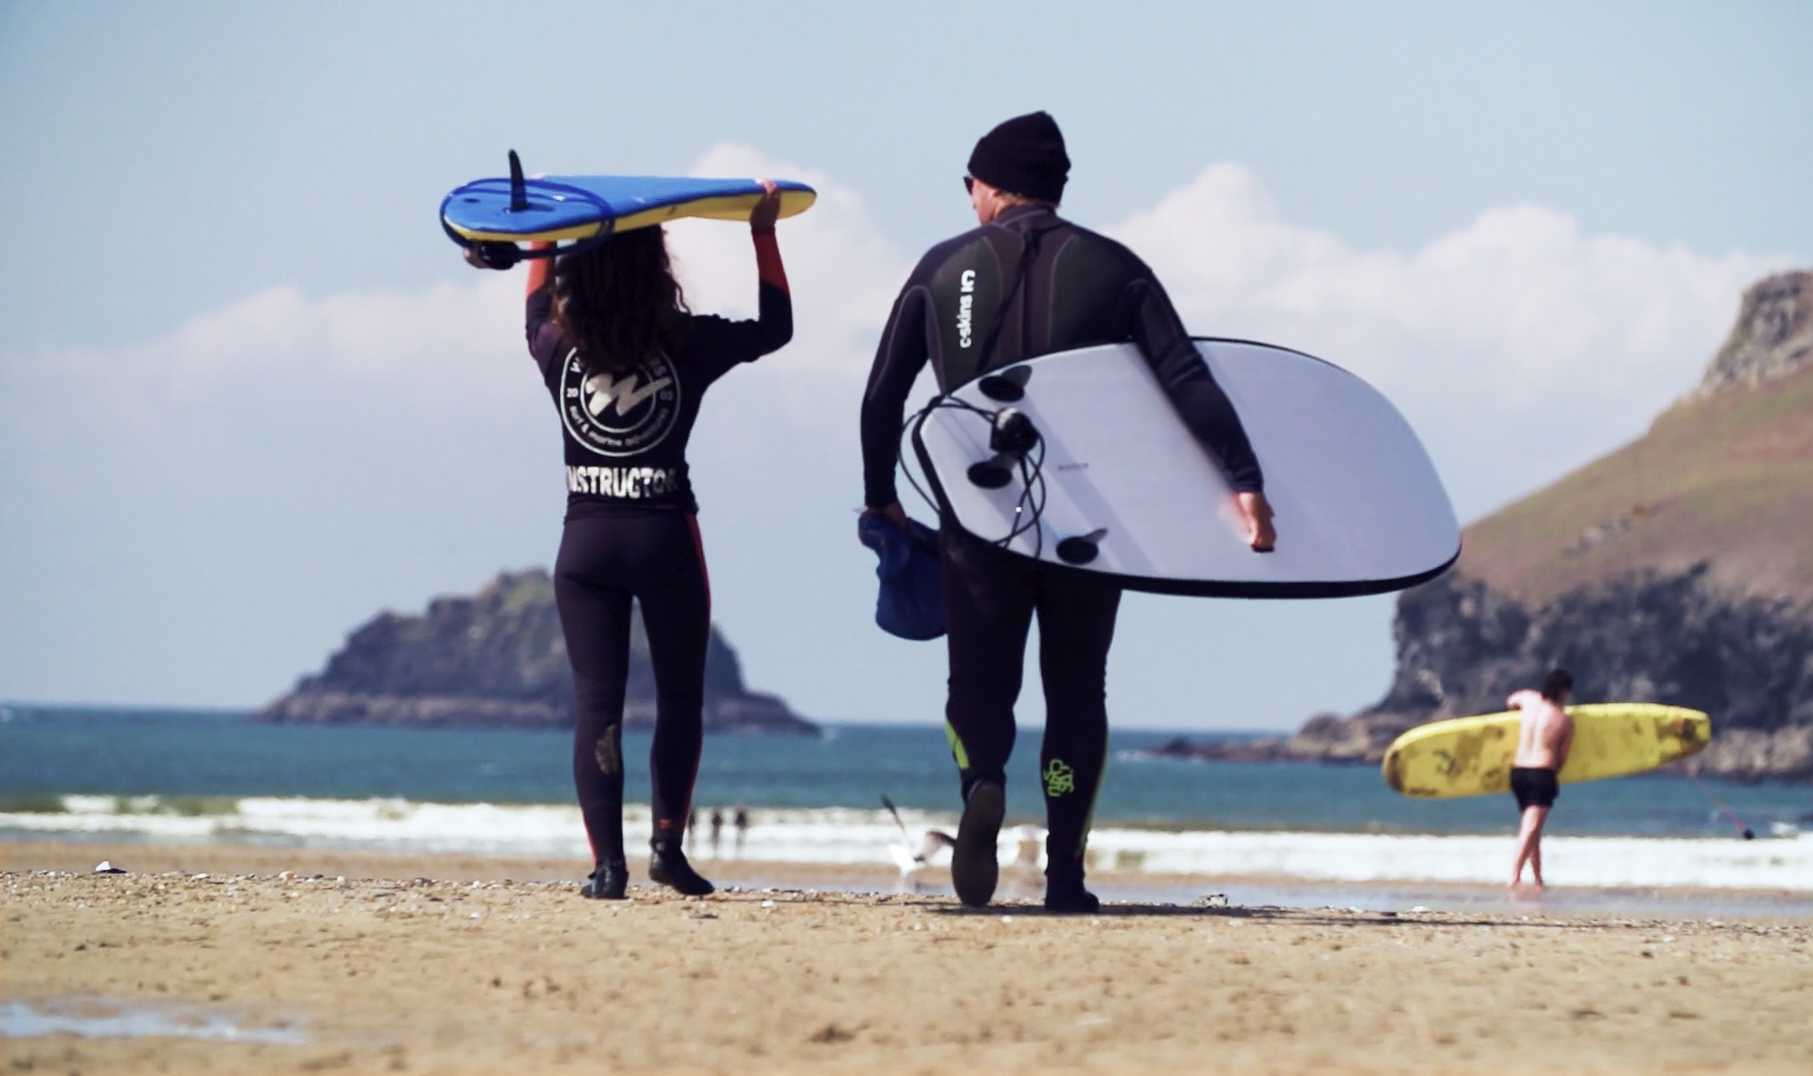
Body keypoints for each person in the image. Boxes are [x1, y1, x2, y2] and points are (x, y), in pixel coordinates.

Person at [858, 112, 1276, 912]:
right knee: (1077, 688)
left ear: (989, 185)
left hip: (977, 519)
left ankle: (982, 779)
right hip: (1091, 524)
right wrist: (1244, 479)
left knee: (978, 681)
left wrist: (882, 494)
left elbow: (882, 398)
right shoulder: (1115, 268)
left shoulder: (941, 269)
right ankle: (1067, 875)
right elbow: (1185, 377)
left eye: (970, 184)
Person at [472, 181, 791, 899]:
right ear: (658, 266)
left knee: (597, 704)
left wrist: (544, 234)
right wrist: (761, 231)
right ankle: (667, 850)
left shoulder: (554, 345)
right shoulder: (687, 341)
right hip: (664, 535)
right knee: (680, 698)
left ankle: (607, 867)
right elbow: (776, 329)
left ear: (578, 273)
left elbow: (533, 303)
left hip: (584, 547)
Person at [1507, 668, 1575, 890]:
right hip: (1541, 772)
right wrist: (1553, 776)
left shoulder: (1529, 700)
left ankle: (1537, 878)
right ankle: (1514, 877)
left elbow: (1511, 700)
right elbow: (1561, 758)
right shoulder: (1563, 720)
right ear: (1562, 691)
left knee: (1532, 826)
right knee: (1531, 825)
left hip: (1518, 771)